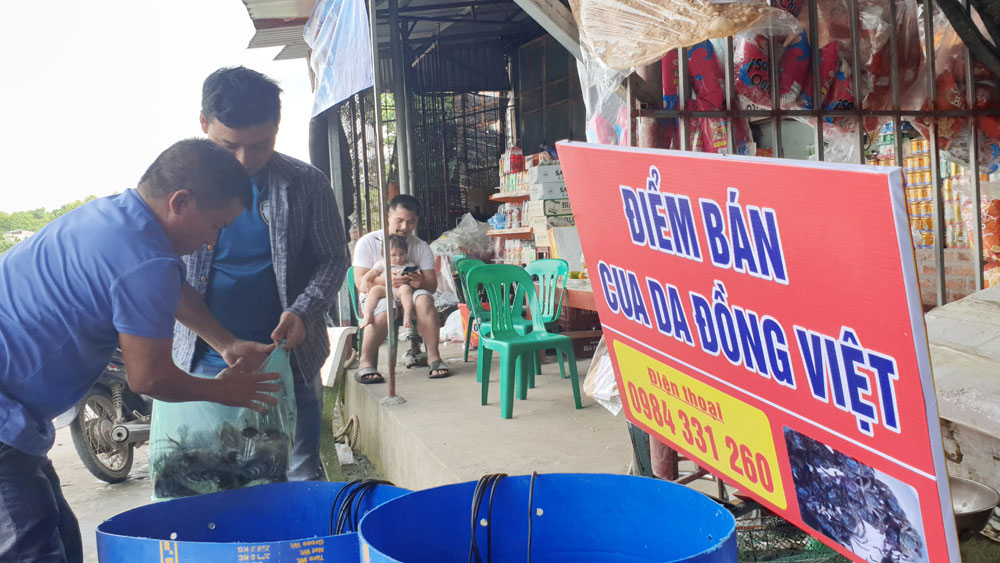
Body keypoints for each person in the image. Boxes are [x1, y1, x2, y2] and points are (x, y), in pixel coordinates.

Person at [0, 139, 280, 562]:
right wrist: (223, 392)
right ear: (180, 201)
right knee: (32, 550)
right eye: (216, 227)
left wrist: (226, 342)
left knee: (61, 534)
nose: (211, 243)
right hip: (4, 420)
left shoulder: (115, 215)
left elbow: (172, 287)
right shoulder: (146, 259)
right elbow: (148, 378)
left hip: (17, 414)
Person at [172, 66, 349, 482]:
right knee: (208, 476)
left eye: (260, 145)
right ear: (203, 124)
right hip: (204, 361)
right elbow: (162, 274)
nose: (244, 161)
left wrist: (304, 311)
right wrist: (222, 341)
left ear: (277, 127)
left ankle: (302, 548)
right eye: (229, 145)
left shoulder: (306, 183)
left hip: (290, 360)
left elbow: (332, 259)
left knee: (300, 468)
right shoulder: (177, 188)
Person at [352, 194, 451, 383]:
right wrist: (386, 281)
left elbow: (431, 285)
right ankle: (365, 363)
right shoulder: (368, 242)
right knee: (383, 308)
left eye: (411, 222)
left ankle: (434, 359)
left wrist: (418, 281)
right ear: (388, 216)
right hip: (377, 294)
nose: (405, 227)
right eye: (399, 220)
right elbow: (360, 282)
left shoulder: (421, 247)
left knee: (424, 298)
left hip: (410, 294)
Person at [359, 235, 418, 331]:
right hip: (385, 291)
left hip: (400, 292)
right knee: (375, 290)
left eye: (402, 254)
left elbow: (416, 277)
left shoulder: (409, 265)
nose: (398, 258)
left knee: (406, 289)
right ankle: (368, 315)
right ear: (384, 254)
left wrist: (412, 278)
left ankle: (407, 316)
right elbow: (372, 273)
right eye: (393, 255)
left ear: (406, 253)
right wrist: (365, 279)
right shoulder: (382, 264)